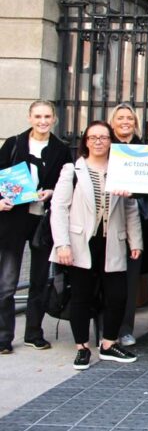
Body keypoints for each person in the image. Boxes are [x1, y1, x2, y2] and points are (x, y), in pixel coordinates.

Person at [49, 120, 143, 370]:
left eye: (104, 137)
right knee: (81, 295)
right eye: (93, 138)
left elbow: (131, 207)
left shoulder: (120, 170)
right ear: (86, 142)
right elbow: (58, 209)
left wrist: (136, 241)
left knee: (117, 295)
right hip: (81, 242)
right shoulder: (72, 171)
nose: (99, 142)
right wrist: (62, 245)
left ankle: (109, 343)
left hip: (113, 240)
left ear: (111, 141)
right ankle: (82, 347)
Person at [0, 100, 73, 354]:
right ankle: (3, 337)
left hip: (44, 220)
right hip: (13, 220)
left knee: (40, 280)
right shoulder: (13, 144)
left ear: (54, 119)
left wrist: (52, 192)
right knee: (7, 282)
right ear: (30, 118)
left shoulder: (61, 150)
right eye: (38, 116)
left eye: (47, 116)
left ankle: (34, 333)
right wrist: (1, 201)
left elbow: (67, 184)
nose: (43, 121)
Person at [107, 103, 148, 348]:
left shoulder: (144, 150)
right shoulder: (103, 145)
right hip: (107, 220)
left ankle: (125, 328)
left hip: (136, 219)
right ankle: (106, 327)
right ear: (113, 122)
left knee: (130, 278)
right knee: (107, 277)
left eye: (129, 118)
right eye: (120, 117)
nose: (125, 122)